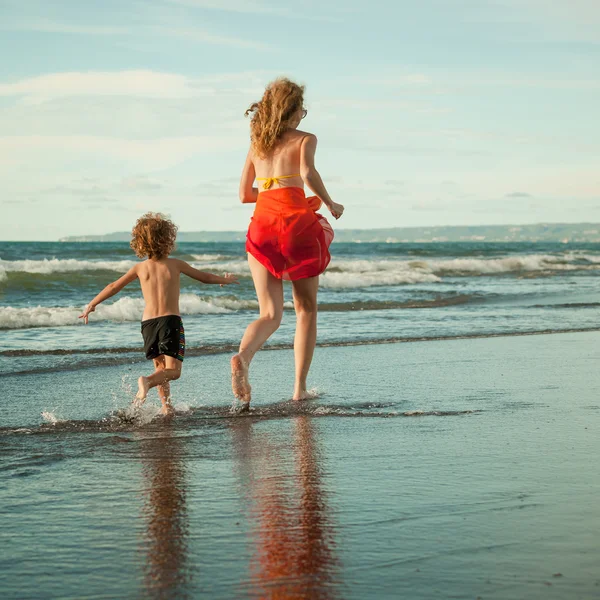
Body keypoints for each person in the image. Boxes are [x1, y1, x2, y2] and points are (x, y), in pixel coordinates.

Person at [231, 77, 344, 411]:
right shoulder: (306, 139)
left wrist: (277, 193)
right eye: (302, 110)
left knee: (270, 313)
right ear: (292, 111)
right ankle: (299, 388)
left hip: (262, 228)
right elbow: (307, 173)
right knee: (306, 309)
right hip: (296, 226)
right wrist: (329, 202)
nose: (303, 116)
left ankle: (243, 357)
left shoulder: (257, 144)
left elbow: (244, 195)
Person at [79, 212, 239, 415]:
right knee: (173, 372)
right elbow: (205, 277)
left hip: (148, 324)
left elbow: (113, 286)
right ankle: (146, 382)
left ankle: (166, 408)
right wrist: (223, 280)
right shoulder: (176, 264)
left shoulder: (139, 268)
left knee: (160, 367)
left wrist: (92, 304)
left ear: (140, 243)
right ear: (168, 239)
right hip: (169, 321)